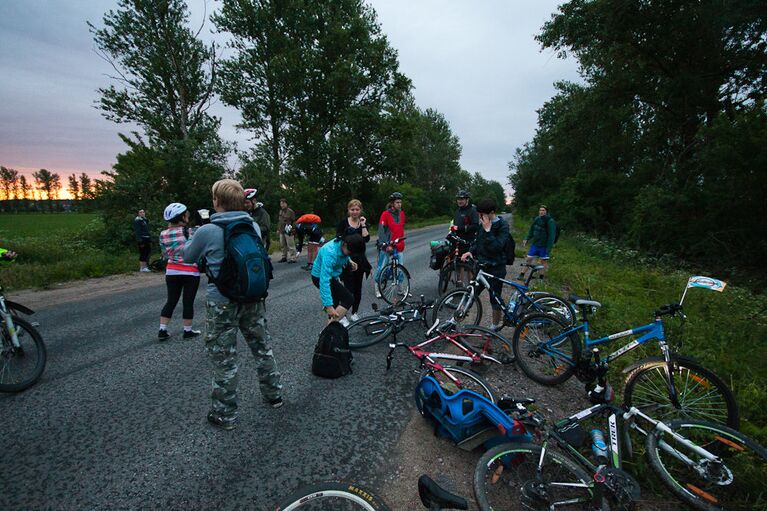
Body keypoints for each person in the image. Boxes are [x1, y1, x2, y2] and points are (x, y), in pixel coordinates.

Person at [183, 179, 283, 431]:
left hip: (221, 303)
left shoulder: (207, 231)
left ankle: (225, 414)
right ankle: (274, 396)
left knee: (224, 359)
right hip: (253, 298)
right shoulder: (252, 227)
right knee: (262, 348)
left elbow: (188, 256)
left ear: (217, 202)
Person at [460, 198, 511, 332]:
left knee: (495, 299)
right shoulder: (482, 223)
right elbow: (478, 242)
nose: (479, 217)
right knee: (470, 293)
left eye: (482, 214)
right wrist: (470, 252)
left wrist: (488, 231)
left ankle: (494, 326)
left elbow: (497, 247)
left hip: (496, 268)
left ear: (491, 213)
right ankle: (456, 320)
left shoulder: (502, 226)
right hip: (481, 268)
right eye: (479, 214)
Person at [157, 203, 201, 341]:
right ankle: (187, 330)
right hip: (190, 271)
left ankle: (162, 329)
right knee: (188, 301)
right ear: (182, 217)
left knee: (171, 300)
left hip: (172, 271)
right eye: (186, 214)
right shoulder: (191, 231)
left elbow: (164, 254)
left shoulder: (163, 234)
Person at [311, 234, 366, 325]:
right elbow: (324, 281)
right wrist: (328, 305)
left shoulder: (343, 243)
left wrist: (349, 260)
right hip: (319, 277)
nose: (351, 255)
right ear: (344, 244)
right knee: (348, 299)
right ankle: (328, 331)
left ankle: (330, 330)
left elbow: (344, 254)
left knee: (335, 304)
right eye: (350, 253)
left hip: (333, 276)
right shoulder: (330, 253)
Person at [336, 199, 371, 321]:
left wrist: (363, 225)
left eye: (357, 209)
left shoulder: (362, 224)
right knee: (347, 289)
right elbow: (338, 241)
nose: (355, 212)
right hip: (347, 259)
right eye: (352, 209)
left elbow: (366, 239)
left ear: (360, 210)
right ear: (348, 210)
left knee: (357, 288)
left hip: (360, 259)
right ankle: (342, 315)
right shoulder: (343, 223)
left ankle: (355, 312)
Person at [375, 192, 406, 298]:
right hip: (387, 245)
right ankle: (377, 288)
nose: (399, 204)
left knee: (400, 267)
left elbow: (400, 230)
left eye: (400, 202)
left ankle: (401, 288)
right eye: (397, 202)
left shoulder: (402, 214)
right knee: (382, 267)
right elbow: (381, 231)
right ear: (392, 203)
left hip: (399, 245)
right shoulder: (385, 214)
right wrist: (385, 244)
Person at [519, 205, 556, 281]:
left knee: (543, 261)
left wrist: (548, 248)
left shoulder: (550, 221)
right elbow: (532, 230)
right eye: (540, 210)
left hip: (544, 246)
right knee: (529, 259)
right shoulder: (537, 219)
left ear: (546, 212)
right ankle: (522, 274)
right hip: (535, 244)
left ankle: (541, 278)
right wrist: (527, 238)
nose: (541, 212)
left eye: (543, 210)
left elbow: (552, 236)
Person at [452, 189, 478, 284]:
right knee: (459, 265)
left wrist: (460, 228)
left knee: (469, 267)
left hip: (469, 242)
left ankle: (471, 288)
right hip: (459, 242)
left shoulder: (472, 210)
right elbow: (455, 225)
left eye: (462, 199)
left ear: (467, 199)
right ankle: (460, 286)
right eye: (458, 199)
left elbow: (475, 226)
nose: (459, 201)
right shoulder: (457, 211)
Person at [244, 188, 271, 253]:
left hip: (260, 245)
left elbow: (265, 229)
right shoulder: (247, 213)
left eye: (247, 202)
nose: (245, 205)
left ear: (254, 201)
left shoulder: (262, 213)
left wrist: (250, 230)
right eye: (244, 203)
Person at [277, 198, 297, 264]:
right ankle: (284, 257)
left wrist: (293, 229)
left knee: (290, 244)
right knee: (282, 244)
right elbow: (279, 221)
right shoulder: (280, 211)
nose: (282, 205)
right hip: (282, 230)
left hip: (288, 229)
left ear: (286, 204)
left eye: (283, 203)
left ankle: (293, 258)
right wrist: (278, 229)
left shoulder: (290, 211)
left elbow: (294, 221)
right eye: (281, 204)